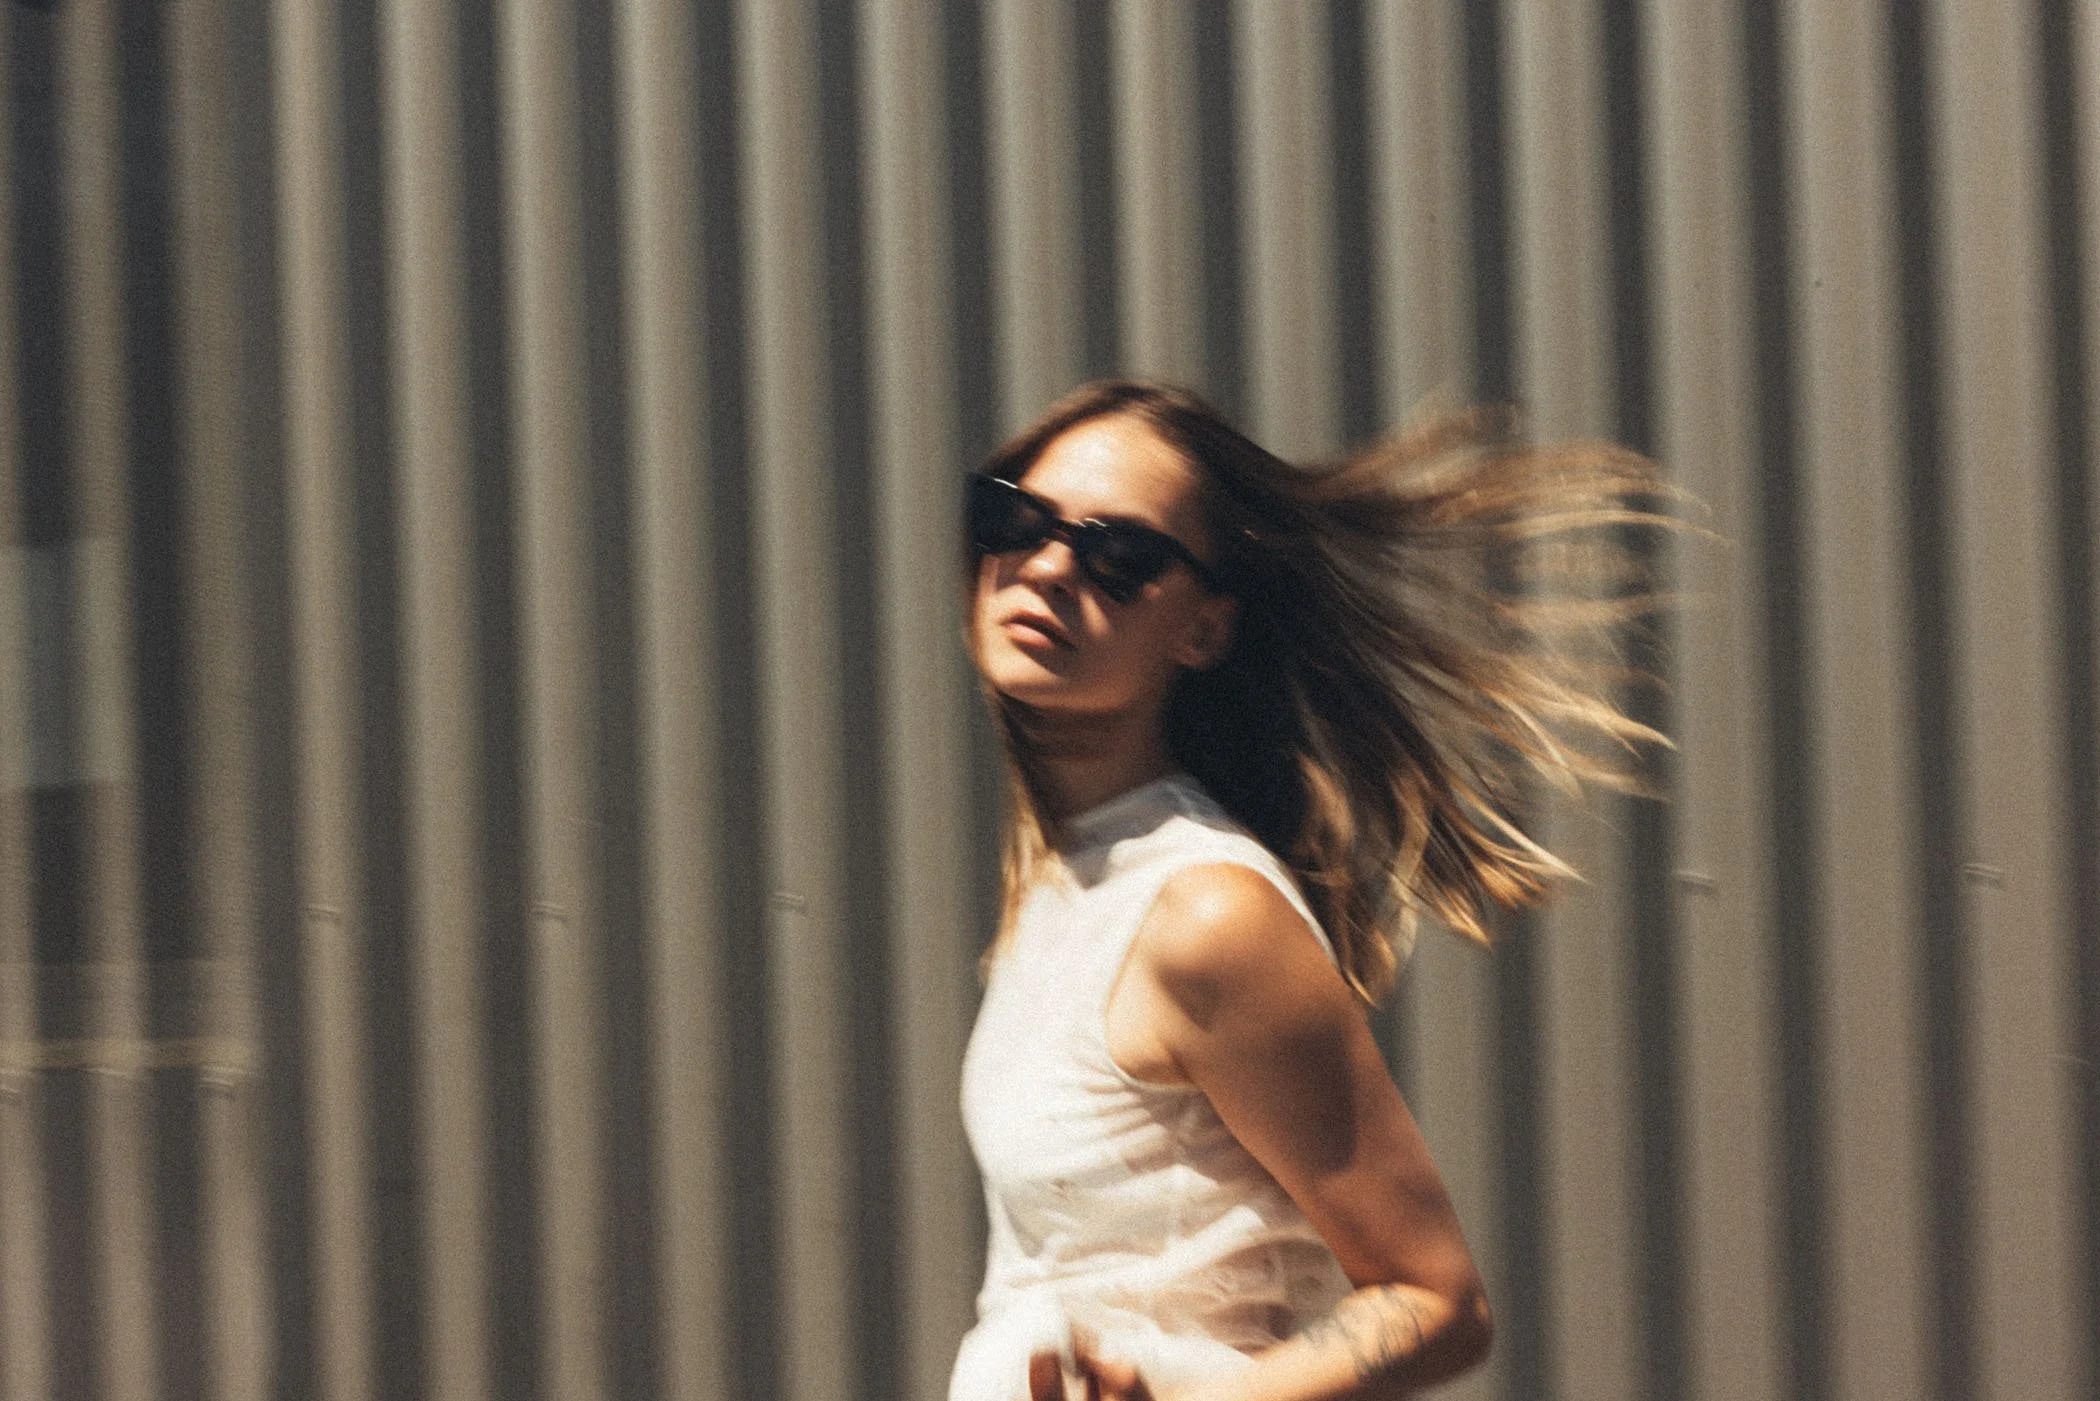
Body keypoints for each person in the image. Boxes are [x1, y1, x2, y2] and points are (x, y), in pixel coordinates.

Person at [951, 380, 1670, 1401]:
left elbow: (1435, 1303)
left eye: (1123, 557)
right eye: (1015, 519)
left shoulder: (1202, 913)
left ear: (1203, 630)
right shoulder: (1066, 875)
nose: (1052, 565)